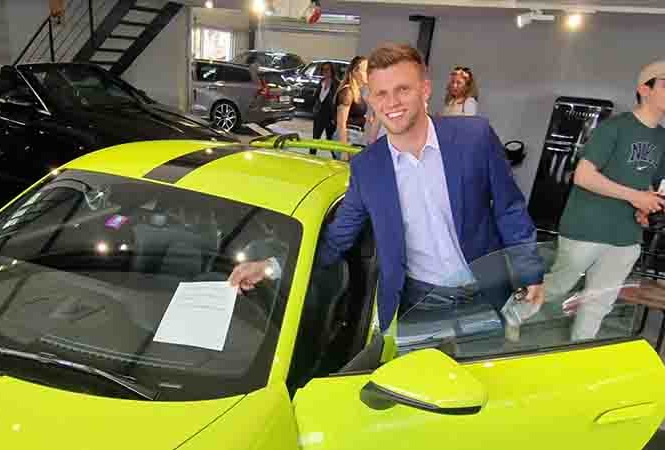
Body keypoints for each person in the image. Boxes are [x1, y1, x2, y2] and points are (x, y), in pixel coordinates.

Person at [230, 43, 543, 334]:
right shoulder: (367, 168)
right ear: (370, 99)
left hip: (486, 291)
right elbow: (336, 240)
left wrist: (530, 272)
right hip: (421, 301)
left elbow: (509, 208)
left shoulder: (475, 137)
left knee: (484, 384)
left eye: (402, 89)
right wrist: (272, 265)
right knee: (422, 390)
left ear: (425, 88)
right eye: (380, 93)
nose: (391, 103)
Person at [543, 60, 665, 341]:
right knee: (558, 287)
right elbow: (583, 176)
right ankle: (513, 312)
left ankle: (577, 357)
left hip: (626, 235)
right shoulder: (614, 128)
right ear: (643, 90)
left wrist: (646, 207)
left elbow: (650, 183)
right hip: (588, 227)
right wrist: (636, 197)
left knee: (599, 304)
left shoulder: (662, 138)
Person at [335, 56, 369, 158]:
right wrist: (344, 150)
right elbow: (341, 124)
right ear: (355, 71)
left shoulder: (357, 92)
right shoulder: (347, 92)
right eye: (366, 70)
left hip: (356, 136)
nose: (369, 73)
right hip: (348, 136)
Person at [310, 62, 339, 156]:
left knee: (330, 140)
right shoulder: (321, 82)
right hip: (319, 115)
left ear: (332, 71)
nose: (325, 72)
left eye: (327, 69)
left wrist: (335, 117)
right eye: (323, 70)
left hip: (330, 117)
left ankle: (336, 158)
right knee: (315, 139)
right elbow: (316, 98)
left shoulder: (336, 84)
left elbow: (337, 102)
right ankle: (311, 157)